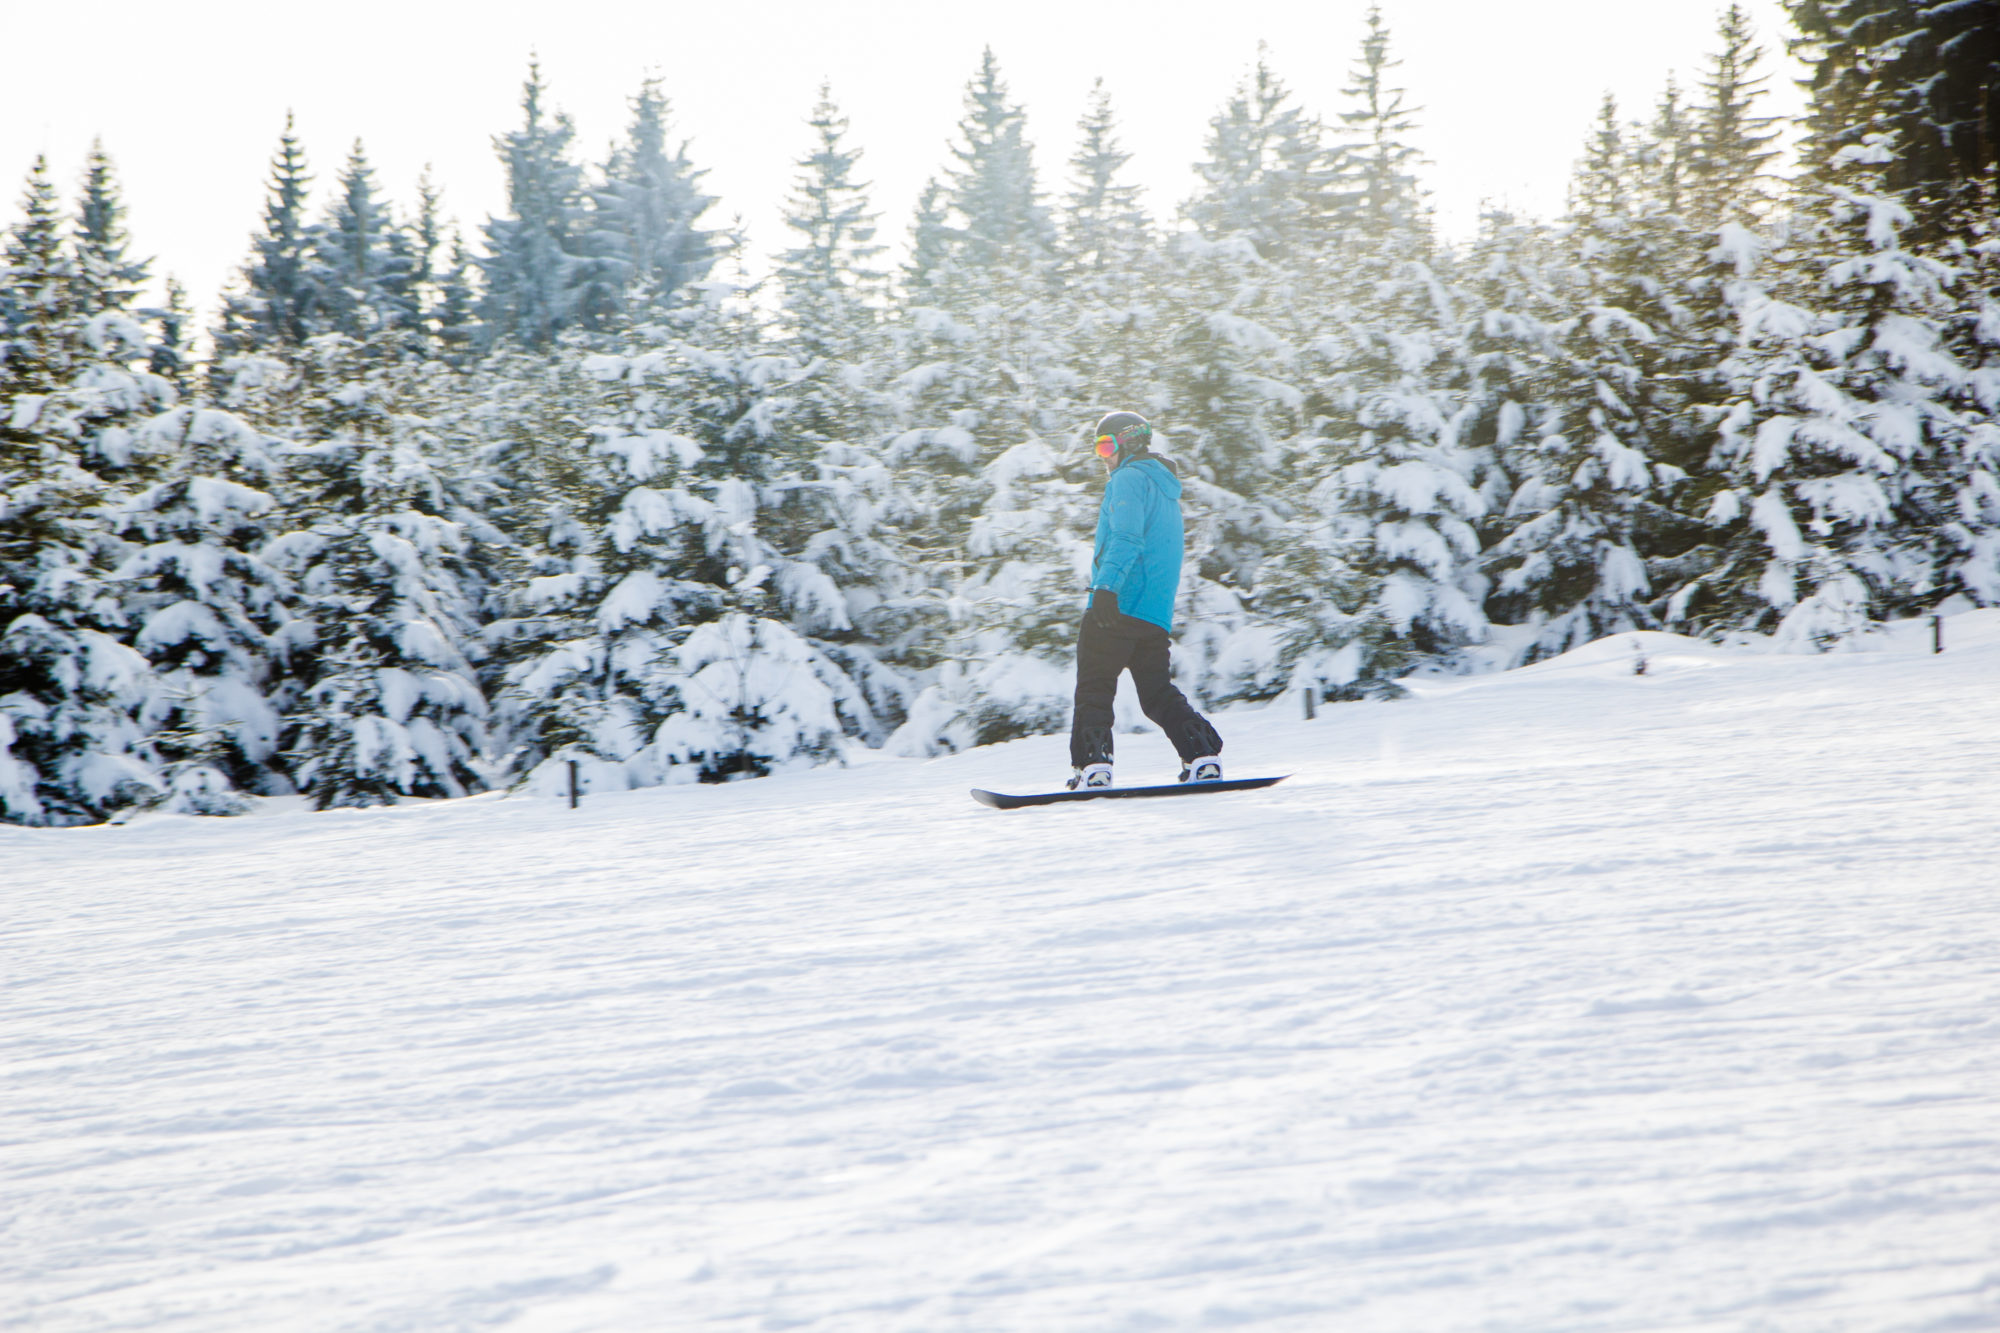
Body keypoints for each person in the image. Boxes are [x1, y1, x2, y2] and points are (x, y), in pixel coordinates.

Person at [1068, 410, 1224, 789]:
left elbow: (1126, 539)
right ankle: (1202, 754)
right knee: (1156, 693)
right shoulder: (1164, 488)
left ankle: (1093, 766)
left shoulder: (1128, 479)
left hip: (1117, 606)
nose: (1103, 457)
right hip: (1153, 615)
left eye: (1106, 446)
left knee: (1094, 687)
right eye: (1099, 449)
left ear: (1128, 443)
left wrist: (1106, 589)